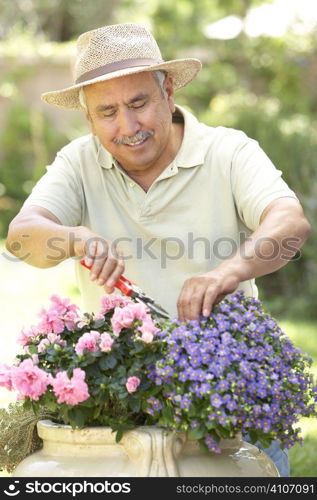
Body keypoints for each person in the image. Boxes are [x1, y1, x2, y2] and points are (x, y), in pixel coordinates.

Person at [5, 23, 311, 476]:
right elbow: (22, 235)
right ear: (88, 118)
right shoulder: (79, 161)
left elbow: (289, 224)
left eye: (138, 103)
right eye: (107, 111)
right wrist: (75, 237)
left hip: (227, 412)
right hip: (123, 417)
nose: (128, 127)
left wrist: (225, 273)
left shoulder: (228, 152)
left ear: (167, 90)